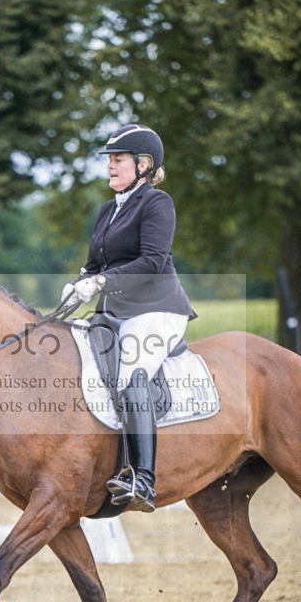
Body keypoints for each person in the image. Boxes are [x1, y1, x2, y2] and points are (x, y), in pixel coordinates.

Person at [61, 123, 195, 512]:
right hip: (114, 312)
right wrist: (79, 284)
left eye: (118, 159)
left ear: (143, 164)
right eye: (110, 160)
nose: (110, 166)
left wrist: (101, 281)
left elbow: (152, 262)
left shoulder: (157, 203)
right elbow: (95, 264)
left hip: (157, 309)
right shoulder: (108, 209)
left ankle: (143, 479)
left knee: (131, 374)